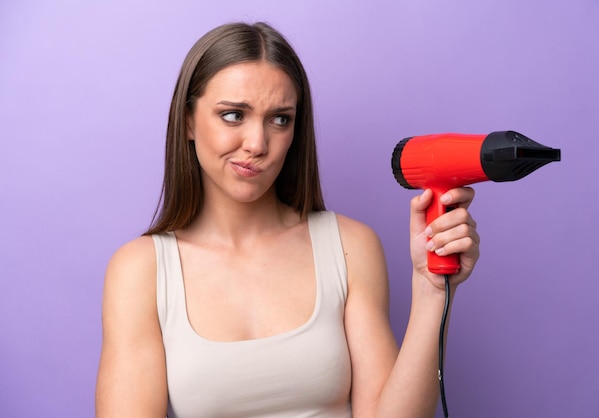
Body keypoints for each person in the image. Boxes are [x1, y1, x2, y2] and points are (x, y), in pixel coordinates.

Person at [95, 22, 480, 418]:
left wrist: (432, 291)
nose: (257, 144)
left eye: (280, 119)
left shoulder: (349, 246)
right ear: (189, 121)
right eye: (232, 115)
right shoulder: (141, 271)